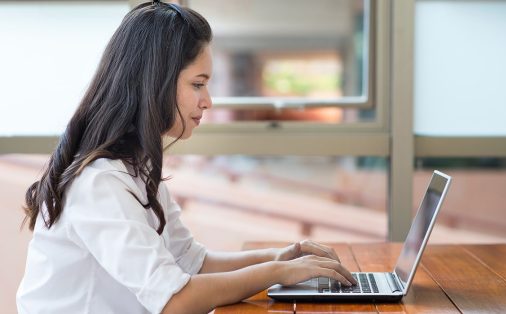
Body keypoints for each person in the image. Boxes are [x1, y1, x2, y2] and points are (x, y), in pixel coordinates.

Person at [16, 1, 357, 313]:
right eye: (198, 84)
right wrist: (278, 272)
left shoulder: (136, 167)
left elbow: (192, 262)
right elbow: (174, 300)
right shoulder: (100, 183)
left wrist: (280, 257)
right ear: (156, 83)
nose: (208, 100)